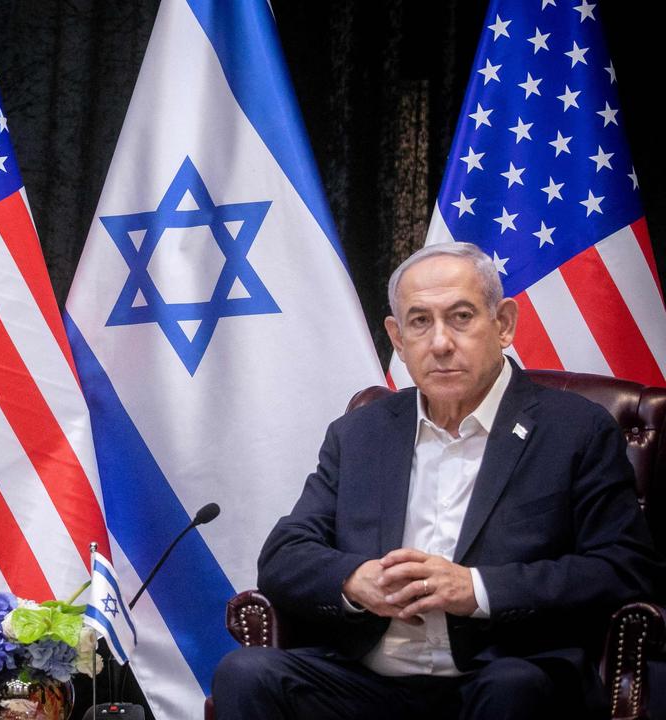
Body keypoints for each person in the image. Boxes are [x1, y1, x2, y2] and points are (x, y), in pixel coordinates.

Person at [211, 242, 660, 719]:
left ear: (504, 323)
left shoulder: (576, 429)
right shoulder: (362, 431)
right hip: (367, 681)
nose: (440, 342)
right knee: (246, 673)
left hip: (502, 673)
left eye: (461, 316)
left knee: (514, 686)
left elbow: (623, 568)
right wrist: (354, 581)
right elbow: (284, 555)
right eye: (420, 321)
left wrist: (477, 589)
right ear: (398, 338)